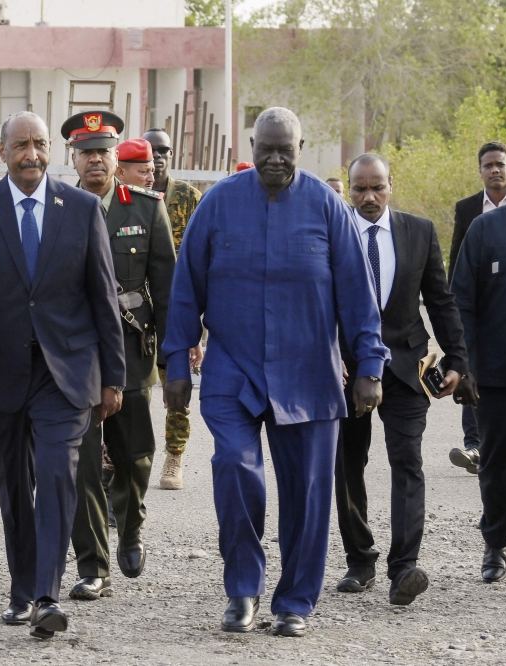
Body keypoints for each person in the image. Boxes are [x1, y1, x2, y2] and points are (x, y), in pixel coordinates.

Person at [164, 107, 388, 638]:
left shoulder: (326, 206)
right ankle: (243, 591)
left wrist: (369, 365)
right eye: (266, 148)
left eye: (285, 149)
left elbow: (358, 293)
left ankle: (294, 603)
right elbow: (185, 288)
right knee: (236, 471)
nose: (274, 158)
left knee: (309, 491)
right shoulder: (218, 203)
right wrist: (176, 363)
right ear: (252, 144)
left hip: (308, 372)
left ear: (301, 147)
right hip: (232, 372)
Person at [0, 111, 125, 639]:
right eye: (21, 145)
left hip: (66, 373)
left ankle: (46, 594)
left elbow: (103, 296)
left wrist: (113, 376)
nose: (32, 154)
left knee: (58, 474)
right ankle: (22, 591)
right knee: (14, 486)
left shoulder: (82, 210)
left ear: (52, 151)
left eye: (40, 144)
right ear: (2, 152)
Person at [333, 153, 471, 605]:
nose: (368, 197)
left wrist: (457, 360)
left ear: (391, 185)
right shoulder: (333, 232)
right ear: (349, 189)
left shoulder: (419, 231)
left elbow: (441, 299)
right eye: (359, 189)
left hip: (407, 369)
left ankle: (404, 566)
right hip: (349, 371)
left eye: (377, 187)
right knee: (348, 464)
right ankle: (360, 560)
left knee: (407, 462)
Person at [63, 114, 175, 601]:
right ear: (74, 158)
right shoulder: (57, 206)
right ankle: (93, 566)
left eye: (102, 151)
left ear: (116, 158)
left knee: (134, 454)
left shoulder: (146, 209)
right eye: (85, 152)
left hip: (131, 345)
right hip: (76, 350)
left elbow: (168, 288)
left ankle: (130, 526)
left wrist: (173, 358)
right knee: (82, 462)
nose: (94, 159)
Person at [451, 161, 506, 583]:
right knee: (497, 465)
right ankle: (495, 546)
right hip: (494, 374)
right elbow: (461, 301)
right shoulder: (485, 229)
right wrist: (465, 364)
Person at [143, 127, 204, 491]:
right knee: (130, 389)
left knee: (176, 386)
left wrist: (198, 327)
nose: (159, 156)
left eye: (164, 150)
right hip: (134, 309)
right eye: (152, 151)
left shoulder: (188, 198)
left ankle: (174, 454)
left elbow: (200, 262)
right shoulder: (128, 195)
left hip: (176, 312)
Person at [447, 142, 506, 475]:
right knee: (471, 373)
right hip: (482, 315)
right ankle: (474, 446)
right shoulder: (469, 210)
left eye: (500, 164)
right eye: (488, 165)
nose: (495, 170)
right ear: (480, 171)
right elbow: (458, 265)